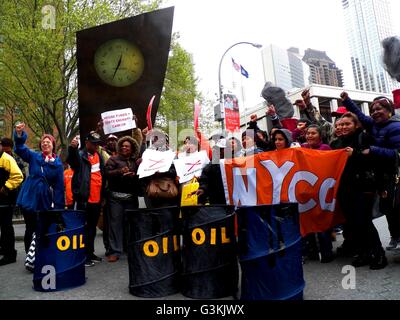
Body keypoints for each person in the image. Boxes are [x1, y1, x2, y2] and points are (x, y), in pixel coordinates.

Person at [340, 91, 400, 251]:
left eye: (379, 109)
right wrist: (347, 101)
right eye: (372, 110)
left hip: (395, 175)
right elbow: (359, 114)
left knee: (396, 207)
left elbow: (398, 154)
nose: (375, 112)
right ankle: (395, 237)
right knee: (388, 208)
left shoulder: (396, 127)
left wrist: (373, 150)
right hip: (382, 176)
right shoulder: (373, 125)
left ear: (389, 111)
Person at [333, 112, 387, 269]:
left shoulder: (365, 138)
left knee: (364, 222)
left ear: (356, 125)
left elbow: (376, 161)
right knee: (353, 224)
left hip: (363, 188)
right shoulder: (338, 142)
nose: (343, 127)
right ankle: (363, 253)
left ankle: (378, 255)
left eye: (347, 124)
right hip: (344, 189)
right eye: (340, 124)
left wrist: (355, 154)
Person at [13, 123, 65, 254]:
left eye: (48, 142)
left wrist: (58, 209)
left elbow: (59, 188)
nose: (45, 144)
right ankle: (29, 256)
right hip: (30, 197)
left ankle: (41, 255)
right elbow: (19, 148)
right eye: (43, 142)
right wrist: (19, 135)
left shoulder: (58, 165)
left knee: (43, 227)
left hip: (45, 200)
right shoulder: (34, 156)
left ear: (53, 145)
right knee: (30, 227)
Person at [67, 131, 106, 267]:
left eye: (97, 144)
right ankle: (82, 256)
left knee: (91, 228)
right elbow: (71, 162)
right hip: (84, 199)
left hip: (96, 199)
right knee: (82, 228)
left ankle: (90, 253)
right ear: (87, 143)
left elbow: (102, 175)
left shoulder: (99, 156)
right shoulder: (79, 155)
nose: (96, 146)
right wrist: (72, 149)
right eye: (94, 144)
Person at [301, 125, 334, 263]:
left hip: (322, 189)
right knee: (307, 222)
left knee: (322, 223)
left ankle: (327, 252)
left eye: (313, 133)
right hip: (306, 191)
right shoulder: (302, 148)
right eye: (308, 133)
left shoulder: (325, 148)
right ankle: (312, 252)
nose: (309, 136)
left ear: (320, 135)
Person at [105, 136, 140, 262]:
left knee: (130, 224)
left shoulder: (135, 161)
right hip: (116, 198)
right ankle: (114, 251)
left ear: (132, 149)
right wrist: (120, 171)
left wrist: (134, 175)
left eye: (127, 146)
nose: (124, 148)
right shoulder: (113, 159)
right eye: (123, 146)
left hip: (131, 197)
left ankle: (129, 248)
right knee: (115, 225)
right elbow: (107, 174)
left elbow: (140, 177)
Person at [0, 141, 24, 266]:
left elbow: (18, 176)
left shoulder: (6, 158)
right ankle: (4, 249)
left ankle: (10, 254)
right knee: (4, 227)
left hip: (5, 199)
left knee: (6, 227)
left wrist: (5, 188)